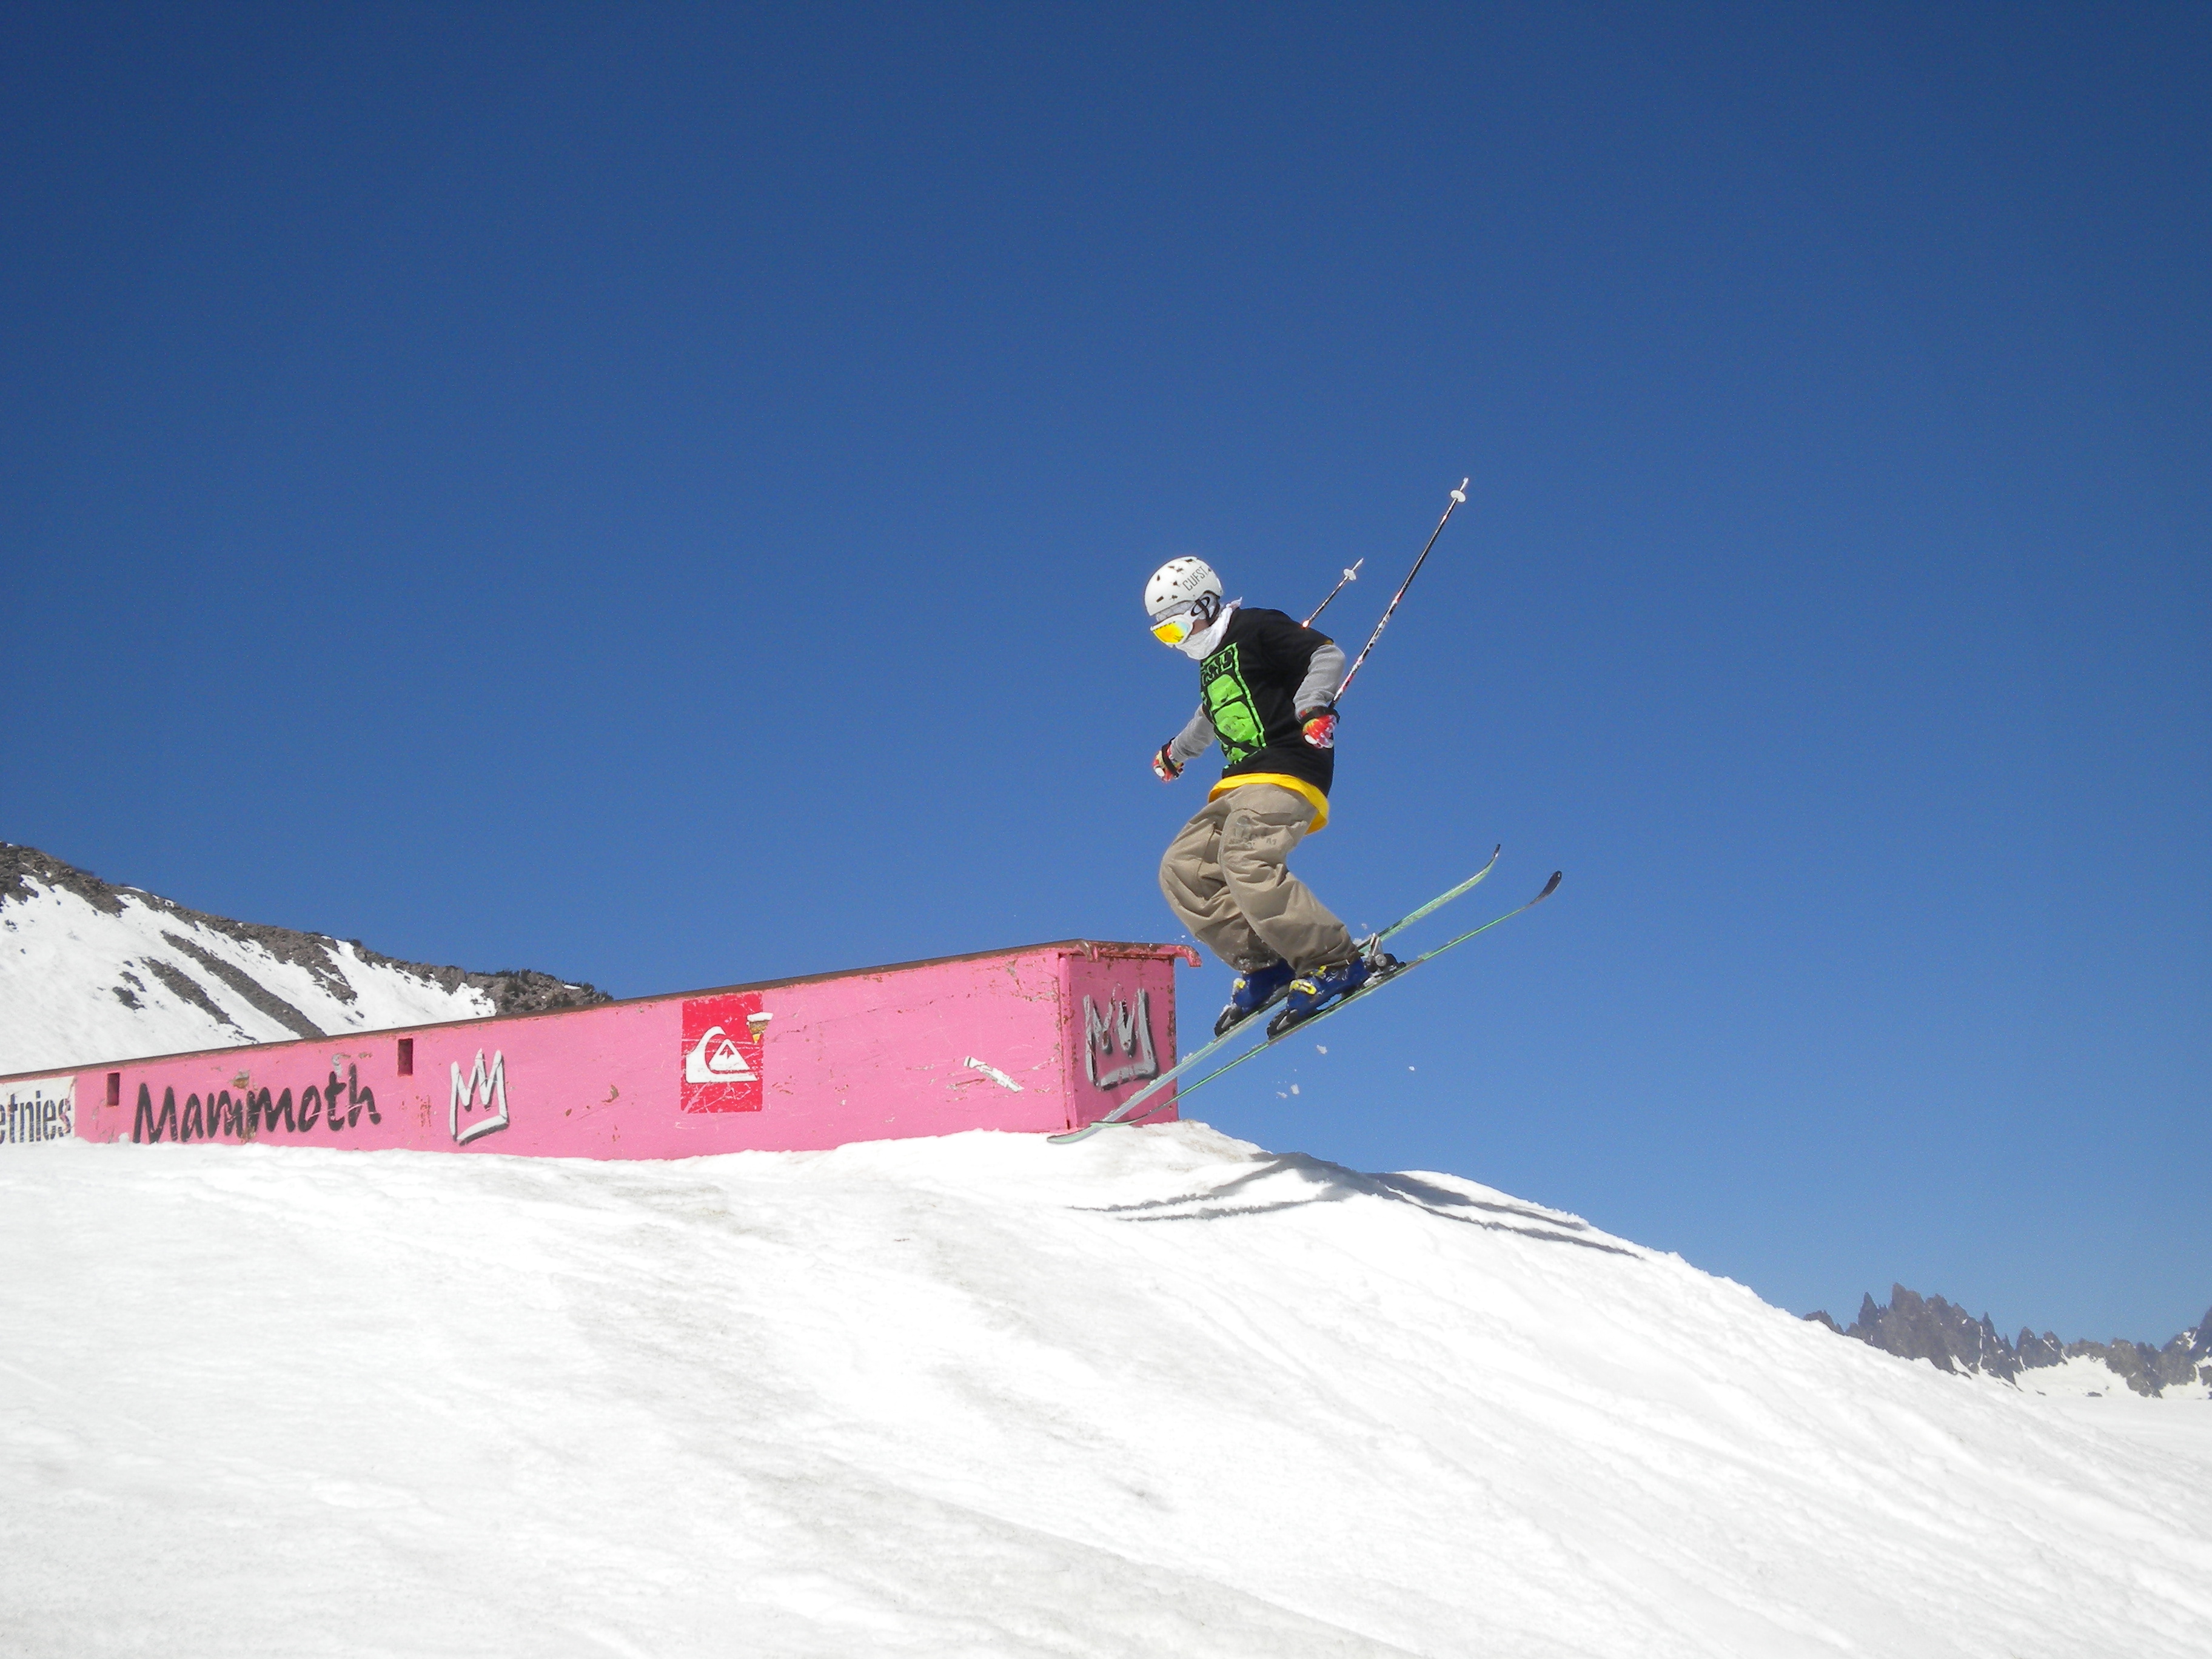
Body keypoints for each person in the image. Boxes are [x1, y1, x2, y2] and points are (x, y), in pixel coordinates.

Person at [1144, 556, 1390, 1036]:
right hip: (1238, 782)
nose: (1175, 644)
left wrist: (1313, 706)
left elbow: (1325, 655)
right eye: (1163, 637)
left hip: (1287, 768)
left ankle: (1334, 959)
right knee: (1182, 868)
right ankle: (1266, 963)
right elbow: (1209, 715)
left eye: (1175, 630)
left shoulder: (1256, 627)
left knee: (1244, 857)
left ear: (1207, 604)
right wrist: (1177, 752)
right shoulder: (1213, 662)